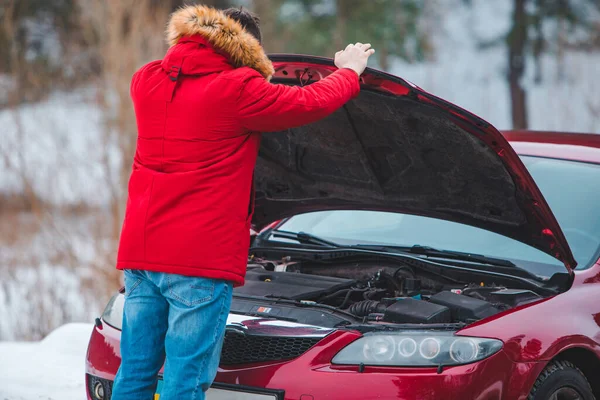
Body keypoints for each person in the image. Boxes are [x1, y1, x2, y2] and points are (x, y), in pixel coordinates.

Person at [111, 4, 374, 400]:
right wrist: (349, 71)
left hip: (142, 254)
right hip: (197, 261)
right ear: (246, 47)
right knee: (186, 380)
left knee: (134, 372)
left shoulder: (146, 80)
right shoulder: (236, 90)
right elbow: (309, 102)